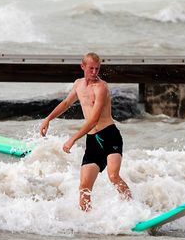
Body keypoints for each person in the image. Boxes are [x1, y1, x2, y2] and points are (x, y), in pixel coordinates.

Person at [39, 52, 132, 211]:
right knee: (84, 187)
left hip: (109, 136)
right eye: (91, 68)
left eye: (97, 69)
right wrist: (48, 119)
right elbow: (67, 102)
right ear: (83, 67)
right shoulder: (78, 84)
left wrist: (73, 139)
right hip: (93, 141)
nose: (94, 72)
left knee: (113, 176)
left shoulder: (101, 87)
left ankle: (133, 207)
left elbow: (94, 119)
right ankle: (87, 219)